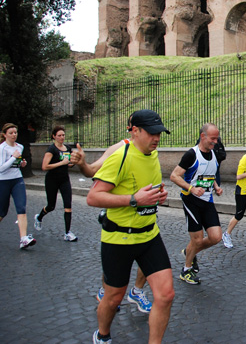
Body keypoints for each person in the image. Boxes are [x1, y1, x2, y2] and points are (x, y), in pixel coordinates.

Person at [87, 109, 174, 344]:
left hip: (149, 236)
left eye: (160, 133)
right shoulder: (120, 156)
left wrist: (158, 194)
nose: (157, 138)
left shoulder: (152, 154)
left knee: (165, 295)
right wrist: (134, 199)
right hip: (118, 238)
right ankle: (102, 334)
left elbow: (145, 187)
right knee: (113, 298)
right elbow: (93, 198)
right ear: (135, 131)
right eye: (152, 133)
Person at [70, 115, 152, 314]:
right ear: (131, 129)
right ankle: (106, 289)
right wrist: (82, 164)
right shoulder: (119, 149)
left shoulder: (153, 151)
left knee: (150, 257)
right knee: (115, 262)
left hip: (145, 216)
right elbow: (92, 171)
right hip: (119, 218)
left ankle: (137, 291)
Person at [170, 123, 224, 285]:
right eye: (213, 138)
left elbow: (209, 174)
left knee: (216, 237)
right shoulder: (191, 154)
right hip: (191, 200)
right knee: (198, 240)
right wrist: (191, 188)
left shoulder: (213, 154)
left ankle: (189, 252)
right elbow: (174, 176)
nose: (215, 142)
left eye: (217, 138)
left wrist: (216, 187)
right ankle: (186, 270)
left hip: (207, 200)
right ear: (203, 136)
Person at [34, 126, 77, 242]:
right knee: (51, 206)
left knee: (68, 205)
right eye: (59, 135)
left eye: (63, 135)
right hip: (52, 180)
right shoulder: (51, 150)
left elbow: (68, 164)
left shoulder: (67, 148)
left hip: (64, 180)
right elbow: (44, 166)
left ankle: (67, 233)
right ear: (54, 136)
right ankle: (39, 217)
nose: (62, 137)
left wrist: (73, 162)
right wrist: (61, 163)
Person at [0, 123, 36, 249]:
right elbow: (1, 168)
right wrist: (13, 158)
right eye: (11, 133)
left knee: (21, 208)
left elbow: (16, 162)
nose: (14, 135)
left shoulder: (19, 147)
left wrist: (21, 163)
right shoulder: (2, 148)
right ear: (5, 135)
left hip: (17, 180)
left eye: (15, 132)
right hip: (3, 181)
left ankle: (23, 239)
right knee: (2, 212)